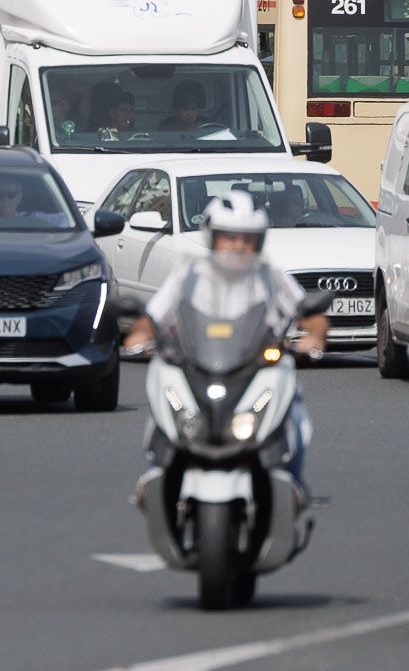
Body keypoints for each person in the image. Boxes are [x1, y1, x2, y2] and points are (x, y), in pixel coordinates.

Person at [123, 193, 326, 478]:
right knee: (165, 411)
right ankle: (158, 476)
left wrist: (314, 338)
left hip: (256, 369)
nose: (238, 246)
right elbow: (152, 316)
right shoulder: (188, 274)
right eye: (229, 237)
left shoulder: (269, 275)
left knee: (293, 412)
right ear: (212, 237)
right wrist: (140, 336)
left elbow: (311, 314)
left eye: (247, 239)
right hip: (198, 366)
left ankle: (293, 483)